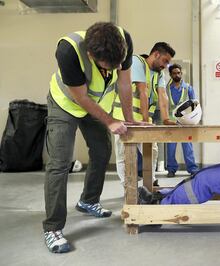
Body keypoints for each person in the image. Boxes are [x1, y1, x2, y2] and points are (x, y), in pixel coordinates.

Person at [43, 22, 134, 253]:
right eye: (107, 66)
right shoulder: (68, 50)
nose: (114, 69)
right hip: (66, 105)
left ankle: (88, 200)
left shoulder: (124, 40)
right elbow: (81, 98)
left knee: (102, 151)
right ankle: (52, 227)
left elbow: (124, 83)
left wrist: (129, 118)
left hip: (96, 106)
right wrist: (111, 120)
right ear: (91, 54)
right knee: (59, 162)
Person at [113, 42, 176, 185]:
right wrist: (147, 121)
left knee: (152, 149)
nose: (166, 65)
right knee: (124, 153)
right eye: (165, 61)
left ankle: (150, 181)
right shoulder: (136, 62)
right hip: (124, 117)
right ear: (156, 54)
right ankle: (128, 186)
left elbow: (163, 95)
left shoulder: (159, 74)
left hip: (143, 119)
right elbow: (143, 92)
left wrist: (166, 119)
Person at [165, 64, 199, 177]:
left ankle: (192, 168)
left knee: (187, 145)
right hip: (171, 121)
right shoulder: (166, 89)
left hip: (185, 121)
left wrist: (194, 120)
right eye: (174, 73)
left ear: (181, 73)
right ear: (170, 75)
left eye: (178, 73)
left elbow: (195, 105)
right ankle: (171, 169)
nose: (177, 75)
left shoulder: (188, 88)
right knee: (170, 147)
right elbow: (164, 106)